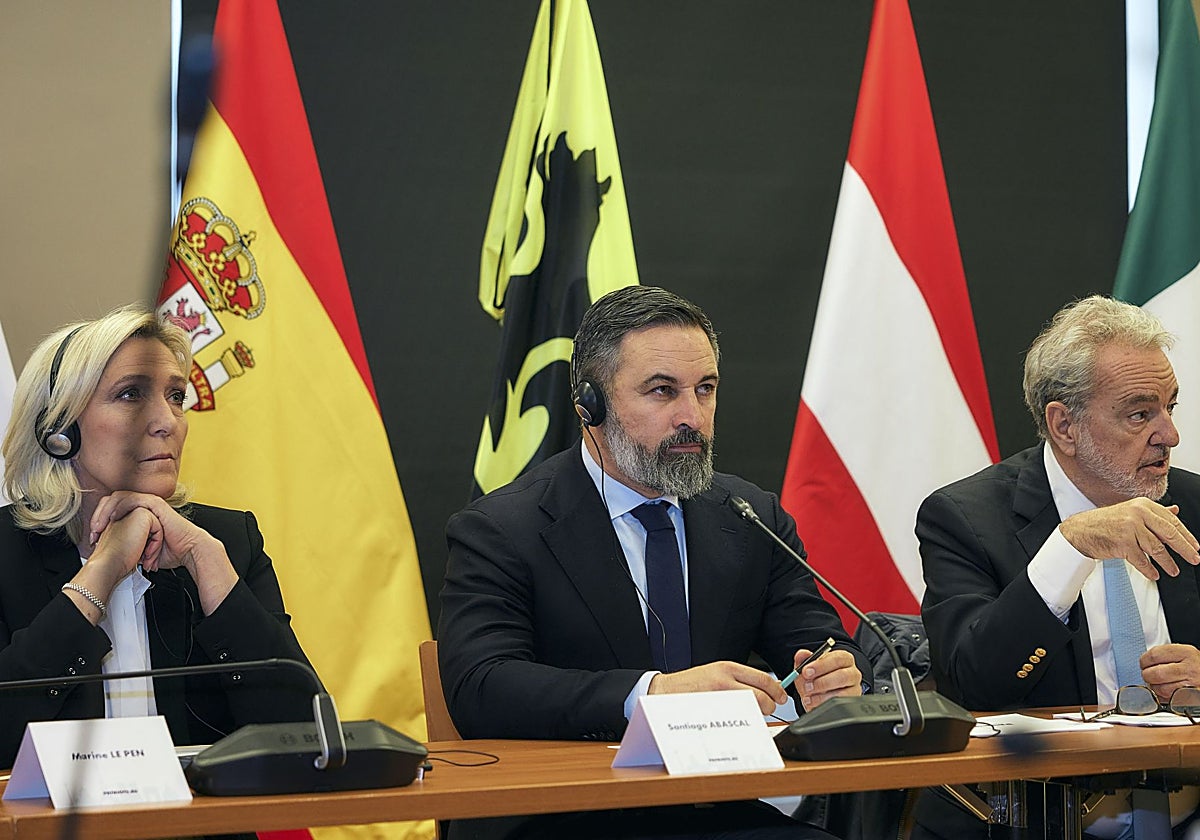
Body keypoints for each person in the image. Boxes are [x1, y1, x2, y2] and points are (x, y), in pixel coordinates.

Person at [439, 285, 868, 839]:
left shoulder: (748, 515)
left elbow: (819, 641)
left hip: (719, 809)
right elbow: (482, 685)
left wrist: (829, 676)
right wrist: (654, 693)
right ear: (589, 406)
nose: (692, 416)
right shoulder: (501, 529)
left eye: (705, 389)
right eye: (662, 391)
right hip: (566, 816)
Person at [915, 295, 1200, 839]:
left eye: (1170, 408)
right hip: (1033, 816)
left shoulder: (1194, 504)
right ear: (1064, 426)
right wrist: (1070, 546)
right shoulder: (964, 518)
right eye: (1140, 413)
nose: (1170, 435)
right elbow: (975, 686)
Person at [0, 305, 315, 770]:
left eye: (175, 396)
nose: (166, 419)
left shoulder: (227, 540)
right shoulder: (7, 552)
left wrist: (209, 567)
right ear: (59, 430)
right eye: (131, 395)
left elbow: (306, 739)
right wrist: (99, 577)